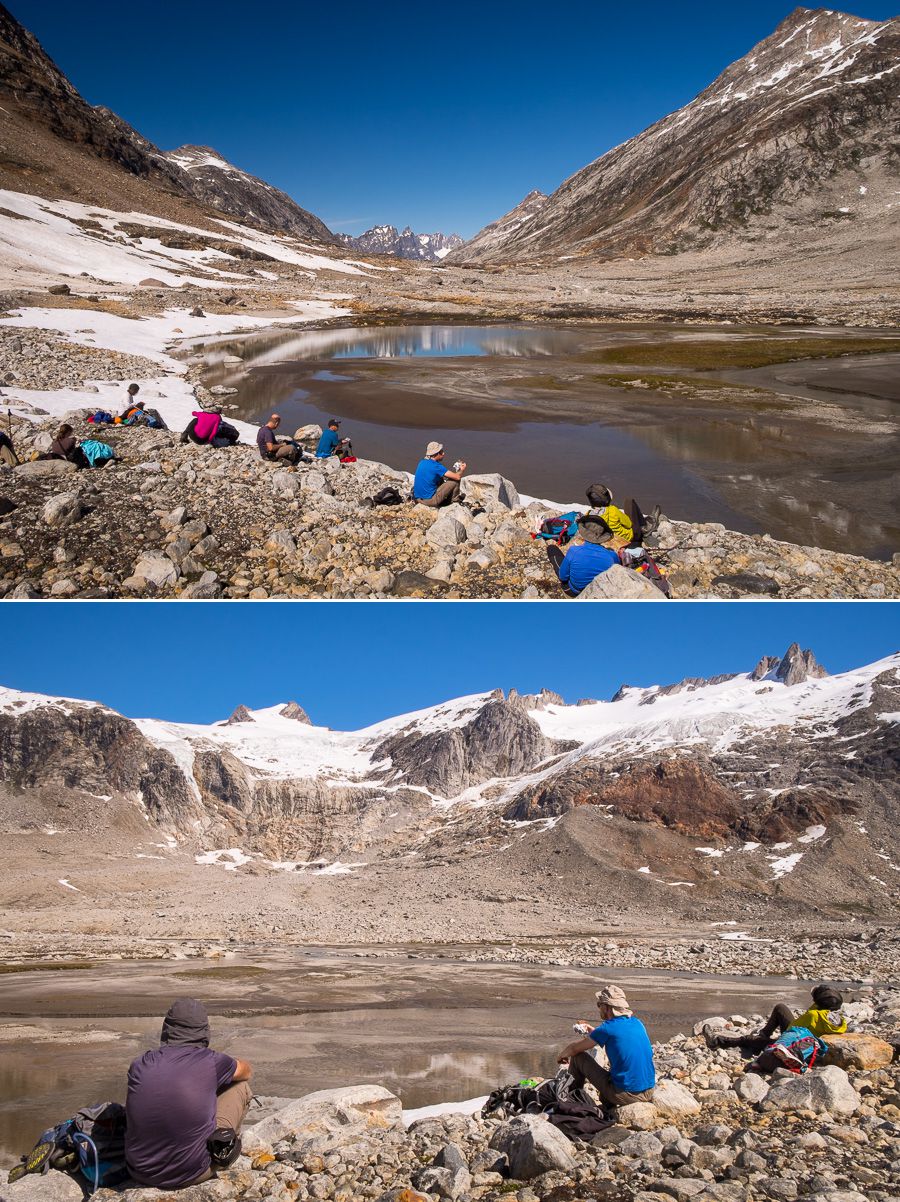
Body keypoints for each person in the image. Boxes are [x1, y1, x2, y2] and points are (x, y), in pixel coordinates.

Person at [125, 998, 253, 1191]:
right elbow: (246, 1071)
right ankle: (224, 1147)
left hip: (138, 1171)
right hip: (192, 1172)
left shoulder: (140, 1063)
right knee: (240, 1087)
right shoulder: (212, 1061)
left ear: (167, 1028)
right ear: (204, 1030)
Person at [558, 985, 655, 1113]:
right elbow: (616, 1037)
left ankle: (569, 1101)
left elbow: (574, 1049)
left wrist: (560, 1056)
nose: (599, 1008)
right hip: (648, 1091)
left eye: (600, 1005)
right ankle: (605, 1103)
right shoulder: (637, 1023)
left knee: (578, 1058)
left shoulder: (607, 1029)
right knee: (609, 1085)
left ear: (607, 1007)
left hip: (627, 1094)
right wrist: (593, 1031)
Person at [704, 984, 847, 1052]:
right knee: (781, 1008)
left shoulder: (813, 1015)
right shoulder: (839, 1020)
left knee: (748, 1040)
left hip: (796, 1044)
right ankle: (764, 1033)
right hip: (808, 1040)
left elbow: (793, 1030)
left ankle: (717, 1041)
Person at [548, 514, 619, 597]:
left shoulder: (574, 551)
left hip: (574, 591)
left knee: (552, 548)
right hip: (598, 593)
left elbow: (563, 577)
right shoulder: (612, 556)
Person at [586, 484, 661, 549]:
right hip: (629, 538)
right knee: (629, 501)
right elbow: (629, 524)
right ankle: (645, 527)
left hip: (608, 541)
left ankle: (644, 524)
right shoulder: (612, 510)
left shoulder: (588, 515)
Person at [412, 441, 466, 507]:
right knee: (455, 481)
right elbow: (457, 477)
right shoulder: (436, 466)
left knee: (440, 478)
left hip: (417, 499)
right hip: (429, 501)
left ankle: (446, 499)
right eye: (441, 452)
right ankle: (454, 502)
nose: (443, 453)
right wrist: (461, 470)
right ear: (436, 454)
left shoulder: (422, 462)